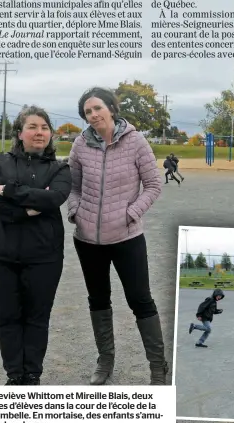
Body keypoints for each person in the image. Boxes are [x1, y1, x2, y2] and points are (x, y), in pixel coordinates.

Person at [68, 87, 168, 386]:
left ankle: (158, 367)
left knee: (141, 300)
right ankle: (106, 360)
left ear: (111, 108)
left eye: (98, 108)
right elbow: (72, 186)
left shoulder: (136, 141)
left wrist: (130, 214)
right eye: (88, 112)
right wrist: (76, 211)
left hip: (127, 238)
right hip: (87, 239)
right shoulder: (80, 144)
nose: (93, 115)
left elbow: (153, 184)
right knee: (98, 299)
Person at [0, 105, 72, 385]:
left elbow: (54, 198)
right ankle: (14, 375)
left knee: (37, 318)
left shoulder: (59, 168)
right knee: (7, 318)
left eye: (44, 127)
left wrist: (8, 191)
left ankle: (32, 375)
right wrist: (24, 210)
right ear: (20, 133)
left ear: (50, 133)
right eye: (32, 127)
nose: (39, 132)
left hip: (44, 256)